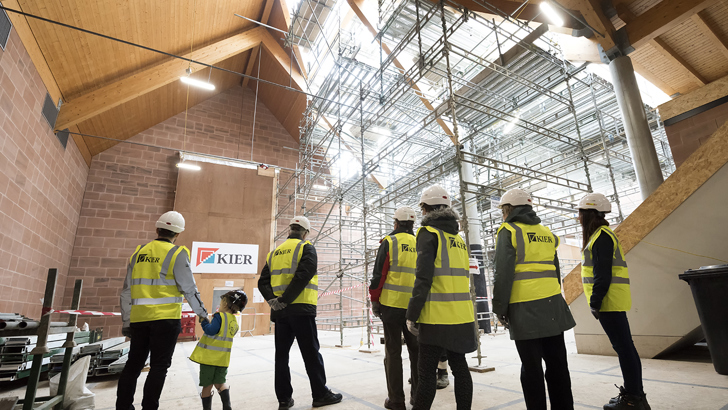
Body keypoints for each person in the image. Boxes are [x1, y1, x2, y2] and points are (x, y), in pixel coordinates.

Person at [492, 188, 575, 410]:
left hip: (524, 307)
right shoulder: (546, 232)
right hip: (553, 306)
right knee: (558, 365)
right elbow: (555, 270)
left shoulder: (508, 230)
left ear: (507, 209)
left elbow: (503, 273)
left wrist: (499, 307)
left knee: (531, 370)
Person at [117, 211, 208, 410]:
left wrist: (126, 321)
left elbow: (126, 291)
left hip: (139, 320)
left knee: (133, 365)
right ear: (178, 234)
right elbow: (189, 288)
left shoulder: (138, 252)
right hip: (166, 320)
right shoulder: (177, 253)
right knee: (159, 367)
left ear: (157, 229)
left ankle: (123, 407)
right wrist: (202, 314)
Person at [258, 216, 343, 410]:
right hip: (301, 309)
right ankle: (320, 394)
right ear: (305, 233)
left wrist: (274, 301)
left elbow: (262, 282)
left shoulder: (274, 253)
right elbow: (304, 275)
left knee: (281, 356)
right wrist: (285, 299)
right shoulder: (306, 248)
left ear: (290, 230)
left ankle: (284, 400)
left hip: (281, 314)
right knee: (311, 353)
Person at [577, 193, 650, 410]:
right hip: (612, 301)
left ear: (588, 213)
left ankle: (633, 399)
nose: (578, 217)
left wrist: (595, 301)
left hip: (609, 301)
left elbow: (603, 273)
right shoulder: (602, 235)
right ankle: (635, 395)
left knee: (625, 349)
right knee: (626, 348)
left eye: (580, 212)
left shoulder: (601, 236)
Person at [406, 185, 477, 410]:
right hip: (462, 316)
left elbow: (423, 278)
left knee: (426, 374)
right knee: (461, 368)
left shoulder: (428, 233)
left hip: (436, 318)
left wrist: (412, 314)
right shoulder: (459, 240)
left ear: (426, 209)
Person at [370, 206, 420, 410]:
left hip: (391, 306)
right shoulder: (421, 243)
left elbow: (379, 274)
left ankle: (396, 400)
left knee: (393, 352)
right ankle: (418, 397)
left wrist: (375, 300)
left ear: (396, 223)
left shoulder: (389, 242)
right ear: (413, 224)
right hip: (416, 307)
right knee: (417, 352)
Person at [190, 290, 248, 410]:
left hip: (209, 359)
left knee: (207, 386)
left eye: (221, 301)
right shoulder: (234, 321)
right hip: (223, 360)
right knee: (220, 383)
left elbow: (211, 330)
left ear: (225, 304)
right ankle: (227, 406)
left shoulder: (219, 316)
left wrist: (203, 322)